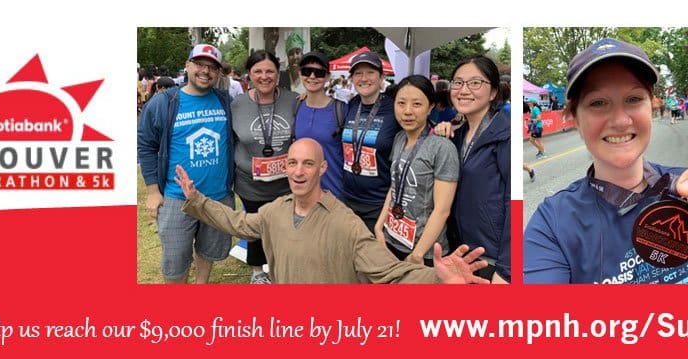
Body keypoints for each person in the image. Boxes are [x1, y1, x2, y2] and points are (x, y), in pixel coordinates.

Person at [523, 38, 688, 284]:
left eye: (634, 99)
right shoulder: (552, 225)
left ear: (652, 106)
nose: (621, 120)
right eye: (598, 103)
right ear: (575, 120)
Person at [173, 139, 490, 284]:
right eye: (293, 163)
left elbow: (391, 272)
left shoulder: (345, 223)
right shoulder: (274, 212)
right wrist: (197, 199)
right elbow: (238, 222)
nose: (299, 172)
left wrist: (437, 277)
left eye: (308, 164)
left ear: (322, 168)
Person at [137, 44, 233, 284]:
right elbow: (146, 145)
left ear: (219, 72)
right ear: (188, 65)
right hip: (177, 198)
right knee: (175, 258)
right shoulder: (164, 103)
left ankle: (201, 286)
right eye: (199, 64)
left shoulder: (226, 101)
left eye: (212, 67)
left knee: (208, 250)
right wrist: (152, 191)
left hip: (217, 198)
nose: (205, 71)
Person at [374, 75, 459, 266]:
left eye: (417, 104)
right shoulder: (398, 139)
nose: (407, 112)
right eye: (401, 103)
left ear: (430, 107)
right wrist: (379, 227)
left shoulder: (442, 147)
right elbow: (395, 186)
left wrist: (418, 254)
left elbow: (442, 210)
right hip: (392, 239)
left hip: (424, 252)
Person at [442, 55, 512, 283]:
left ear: (493, 92)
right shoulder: (457, 134)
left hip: (492, 260)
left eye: (475, 83)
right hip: (461, 254)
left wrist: (506, 269)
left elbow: (514, 203)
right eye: (458, 82)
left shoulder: (505, 135)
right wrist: (442, 131)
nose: (464, 90)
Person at [231, 50, 299, 283]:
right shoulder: (237, 105)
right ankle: (258, 273)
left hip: (286, 185)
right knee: (254, 228)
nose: (264, 76)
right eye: (258, 71)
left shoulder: (293, 100)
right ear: (249, 74)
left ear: (277, 74)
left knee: (285, 230)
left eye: (269, 70)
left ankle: (283, 270)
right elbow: (232, 140)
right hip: (250, 184)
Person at [339, 51, 401, 233]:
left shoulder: (394, 107)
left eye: (370, 72)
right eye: (358, 73)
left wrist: (442, 126)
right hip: (348, 199)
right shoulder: (351, 105)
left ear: (382, 77)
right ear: (352, 78)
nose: (364, 78)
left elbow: (419, 126)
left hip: (379, 203)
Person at [293, 51, 347, 198]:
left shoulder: (341, 109)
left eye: (319, 73)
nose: (312, 76)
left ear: (328, 77)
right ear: (300, 74)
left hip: (333, 193)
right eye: (307, 71)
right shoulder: (296, 106)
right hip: (302, 194)